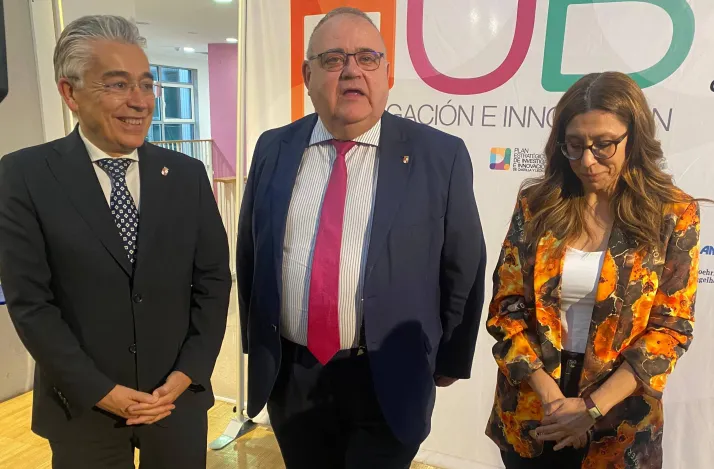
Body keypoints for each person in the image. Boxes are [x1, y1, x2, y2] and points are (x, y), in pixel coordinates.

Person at [237, 7, 487, 469]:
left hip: (388, 377)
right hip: (294, 375)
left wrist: (449, 357)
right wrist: (257, 343)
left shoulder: (439, 155)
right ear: (307, 75)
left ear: (387, 74)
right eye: (333, 59)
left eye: (367, 58)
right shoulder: (273, 147)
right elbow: (252, 251)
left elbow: (463, 266)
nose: (351, 70)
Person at [0, 15, 231, 468]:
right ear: (70, 93)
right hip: (83, 407)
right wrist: (101, 391)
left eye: (146, 84)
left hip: (174, 402)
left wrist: (187, 373)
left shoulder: (186, 175)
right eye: (118, 85)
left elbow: (213, 283)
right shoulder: (23, 176)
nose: (139, 101)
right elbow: (31, 304)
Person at [485, 71, 702, 468]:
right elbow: (506, 310)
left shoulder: (672, 213)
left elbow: (670, 328)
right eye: (575, 145)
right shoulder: (537, 205)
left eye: (603, 144)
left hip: (620, 418)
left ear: (634, 137)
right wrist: (553, 400)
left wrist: (592, 408)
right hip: (535, 410)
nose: (587, 160)